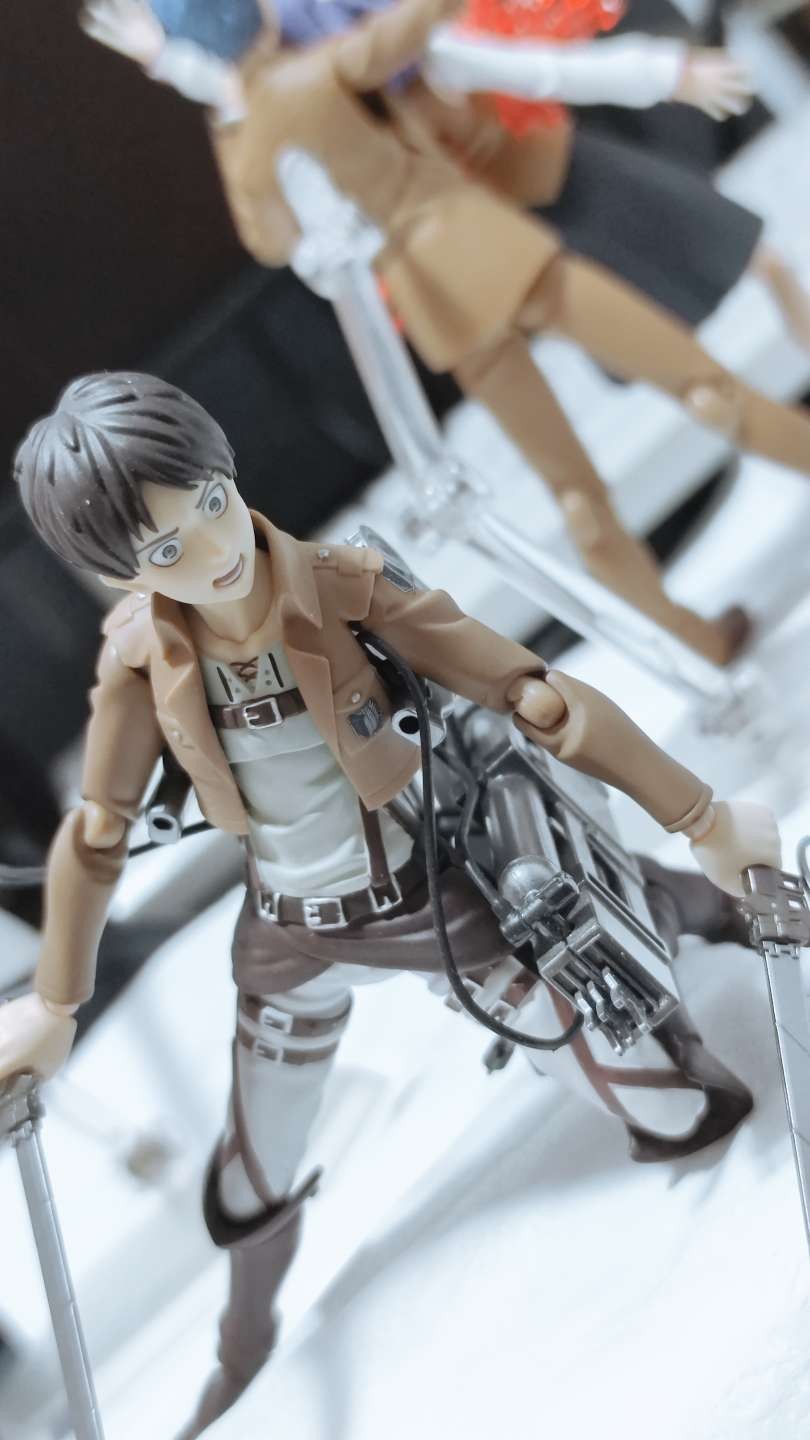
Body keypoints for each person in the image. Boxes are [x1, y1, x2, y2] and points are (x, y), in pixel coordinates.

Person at [0, 373, 780, 1436]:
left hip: (432, 894)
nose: (213, 551)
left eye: (212, 504)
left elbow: (534, 694)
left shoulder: (345, 586)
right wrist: (55, 1004)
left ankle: (682, 898)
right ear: (117, 575)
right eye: (167, 549)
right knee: (251, 1177)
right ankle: (242, 1352)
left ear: (226, 467)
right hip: (292, 927)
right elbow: (97, 829)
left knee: (680, 1109)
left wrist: (701, 814)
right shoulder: (143, 655)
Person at [80, 0, 810, 667]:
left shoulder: (241, 143)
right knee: (703, 387)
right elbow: (420, 19)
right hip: (491, 248)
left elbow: (272, 240)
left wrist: (185, 71)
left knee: (574, 492)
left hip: (432, 304)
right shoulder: (321, 72)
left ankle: (689, 643)